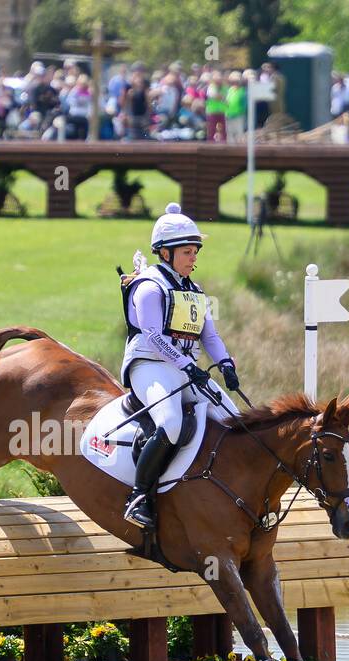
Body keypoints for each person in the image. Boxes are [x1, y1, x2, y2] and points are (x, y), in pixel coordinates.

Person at [118, 203, 241, 528]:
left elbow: (209, 335)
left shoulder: (194, 290)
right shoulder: (149, 286)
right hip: (149, 365)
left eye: (195, 252)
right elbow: (153, 336)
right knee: (171, 422)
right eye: (187, 252)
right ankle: (139, 496)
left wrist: (226, 363)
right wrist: (187, 365)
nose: (193, 258)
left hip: (186, 369)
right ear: (166, 253)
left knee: (233, 421)